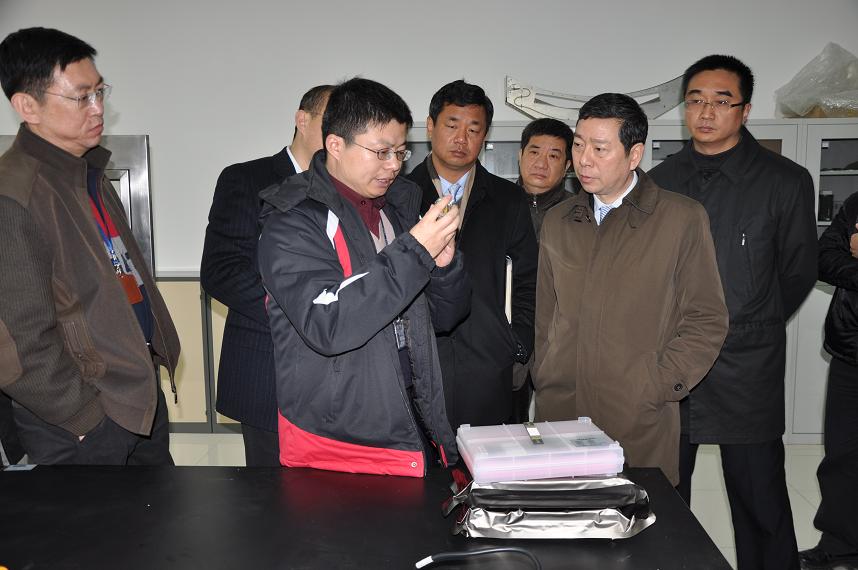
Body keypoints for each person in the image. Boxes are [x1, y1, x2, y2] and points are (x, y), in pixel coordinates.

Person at [649, 55, 818, 570]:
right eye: (696, 100)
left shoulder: (784, 180)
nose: (706, 112)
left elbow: (798, 272)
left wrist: (751, 318)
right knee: (664, 493)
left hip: (747, 363)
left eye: (721, 101)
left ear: (744, 110)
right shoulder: (658, 181)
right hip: (672, 359)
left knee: (759, 496)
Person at [257, 77, 469, 476]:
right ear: (335, 145)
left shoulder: (400, 209)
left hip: (411, 415)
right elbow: (328, 323)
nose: (394, 165)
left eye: (401, 152)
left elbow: (447, 318)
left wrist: (444, 269)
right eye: (382, 152)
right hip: (339, 438)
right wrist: (415, 251)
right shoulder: (293, 221)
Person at [0, 27, 180, 465]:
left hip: (135, 395)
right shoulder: (14, 195)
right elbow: (19, 341)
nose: (98, 108)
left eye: (100, 92)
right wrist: (84, 418)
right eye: (82, 97)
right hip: (81, 420)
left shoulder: (88, 175)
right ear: (27, 106)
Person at [532, 92, 728, 487]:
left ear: (634, 154)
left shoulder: (680, 219)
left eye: (600, 148)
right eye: (579, 145)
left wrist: (657, 384)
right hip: (561, 411)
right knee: (560, 515)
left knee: (638, 516)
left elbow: (706, 319)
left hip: (636, 413)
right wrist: (545, 370)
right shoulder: (559, 220)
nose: (584, 159)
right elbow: (546, 316)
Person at [200, 84, 332, 467]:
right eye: (330, 122)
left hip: (336, 378)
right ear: (302, 119)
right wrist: (298, 315)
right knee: (271, 491)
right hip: (268, 366)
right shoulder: (247, 179)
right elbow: (222, 270)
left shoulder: (346, 189)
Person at [408, 80, 537, 430]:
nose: (461, 139)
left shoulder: (508, 200)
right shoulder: (401, 195)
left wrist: (515, 344)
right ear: (430, 126)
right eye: (452, 125)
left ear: (485, 135)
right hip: (419, 364)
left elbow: (528, 281)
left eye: (473, 129)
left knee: (486, 461)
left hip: (488, 365)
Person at [799, 191, 858, 570]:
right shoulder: (856, 203)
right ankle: (840, 545)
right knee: (842, 456)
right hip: (850, 349)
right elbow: (823, 258)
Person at [511, 117, 574, 422]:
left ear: (568, 165)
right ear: (520, 155)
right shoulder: (496, 204)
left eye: (554, 155)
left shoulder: (580, 213)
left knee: (562, 431)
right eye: (534, 152)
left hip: (563, 342)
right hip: (509, 338)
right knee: (505, 429)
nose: (541, 163)